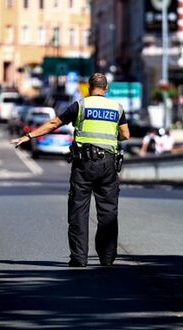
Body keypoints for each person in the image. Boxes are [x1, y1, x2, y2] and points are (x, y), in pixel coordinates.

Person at [11, 73, 130, 267]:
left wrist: (29, 136)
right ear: (106, 88)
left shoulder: (80, 106)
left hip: (83, 164)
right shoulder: (117, 108)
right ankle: (107, 258)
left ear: (89, 88)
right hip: (108, 164)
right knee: (108, 212)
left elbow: (53, 123)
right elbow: (125, 134)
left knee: (78, 210)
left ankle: (79, 258)